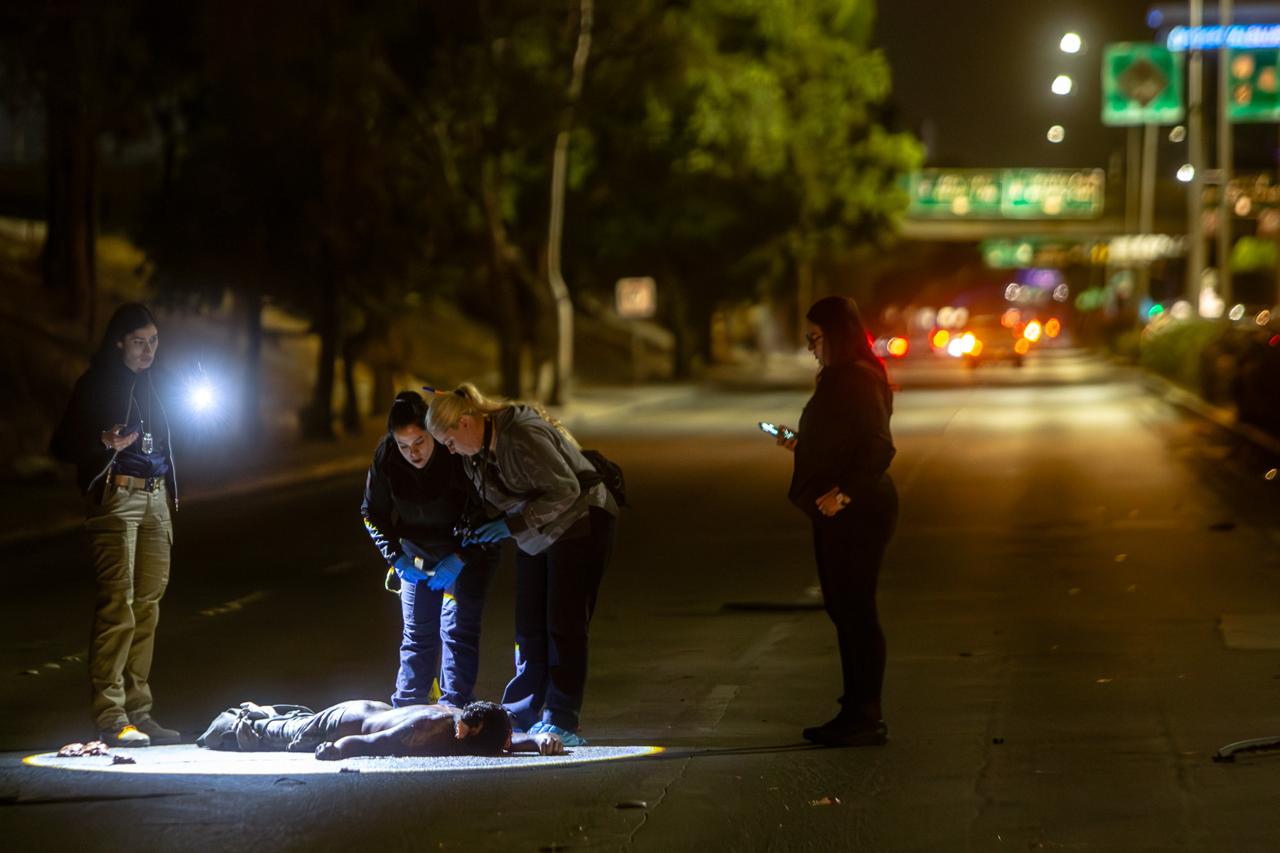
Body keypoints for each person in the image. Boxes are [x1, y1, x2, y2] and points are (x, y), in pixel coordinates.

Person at [426, 384, 618, 747]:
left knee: (563, 623)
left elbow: (565, 491)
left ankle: (561, 717)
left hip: (579, 522)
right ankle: (521, 710)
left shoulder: (522, 434)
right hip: (535, 532)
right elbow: (495, 502)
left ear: (467, 422)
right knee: (529, 625)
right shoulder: (474, 454)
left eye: (449, 441)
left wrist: (510, 524)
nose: (449, 451)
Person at [49, 303, 182, 747]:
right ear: (119, 341)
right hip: (115, 495)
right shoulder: (95, 384)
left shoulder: (158, 384)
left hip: (156, 496)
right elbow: (61, 444)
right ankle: (110, 716)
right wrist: (101, 440)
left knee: (148, 605)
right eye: (140, 342)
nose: (148, 351)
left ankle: (140, 712)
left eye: (155, 342)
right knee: (117, 604)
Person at [775, 296, 898, 747]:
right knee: (844, 610)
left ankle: (865, 714)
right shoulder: (839, 378)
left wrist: (843, 492)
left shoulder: (859, 379)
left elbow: (879, 447)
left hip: (858, 510)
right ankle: (855, 708)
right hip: (838, 508)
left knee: (856, 611)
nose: (810, 346)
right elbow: (838, 438)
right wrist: (799, 443)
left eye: (815, 338)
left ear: (837, 335)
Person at [362, 391, 498, 708]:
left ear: (432, 433)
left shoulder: (456, 452)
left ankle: (454, 707)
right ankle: (407, 707)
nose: (414, 453)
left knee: (455, 629)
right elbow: (372, 513)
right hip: (415, 555)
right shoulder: (387, 456)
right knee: (418, 633)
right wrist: (396, 558)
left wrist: (462, 557)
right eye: (404, 446)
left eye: (420, 442)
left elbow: (489, 511)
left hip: (465, 552)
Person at [195, 699, 565, 758]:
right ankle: (237, 716)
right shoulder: (431, 728)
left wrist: (536, 739)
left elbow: (498, 742)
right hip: (341, 723)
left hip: (368, 708)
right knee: (272, 734)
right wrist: (339, 750)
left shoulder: (472, 723)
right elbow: (374, 742)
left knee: (287, 726)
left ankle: (262, 713)